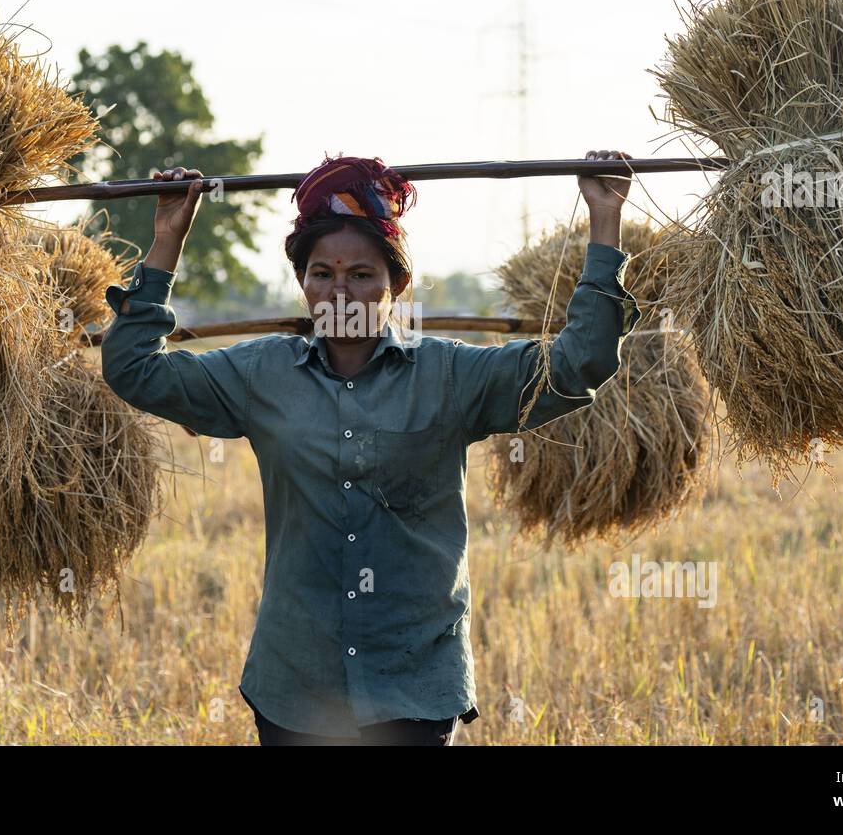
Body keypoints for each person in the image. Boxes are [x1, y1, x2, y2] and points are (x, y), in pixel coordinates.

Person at [101, 150, 641, 745]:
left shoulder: (449, 376)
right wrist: (168, 239)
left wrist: (604, 217)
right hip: (297, 686)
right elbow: (135, 370)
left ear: (396, 285)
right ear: (303, 283)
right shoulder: (260, 376)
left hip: (411, 683)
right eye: (322, 274)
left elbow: (576, 363)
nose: (340, 293)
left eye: (361, 275)